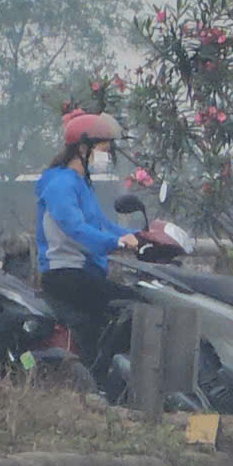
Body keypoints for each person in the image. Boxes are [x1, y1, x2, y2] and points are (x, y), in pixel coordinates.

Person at [36, 111, 139, 364]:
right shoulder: (61, 184)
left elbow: (101, 224)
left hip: (85, 273)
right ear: (83, 148)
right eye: (103, 148)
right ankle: (101, 372)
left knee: (129, 307)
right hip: (66, 275)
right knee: (134, 307)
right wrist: (116, 243)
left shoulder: (81, 183)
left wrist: (141, 237)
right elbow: (75, 228)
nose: (107, 155)